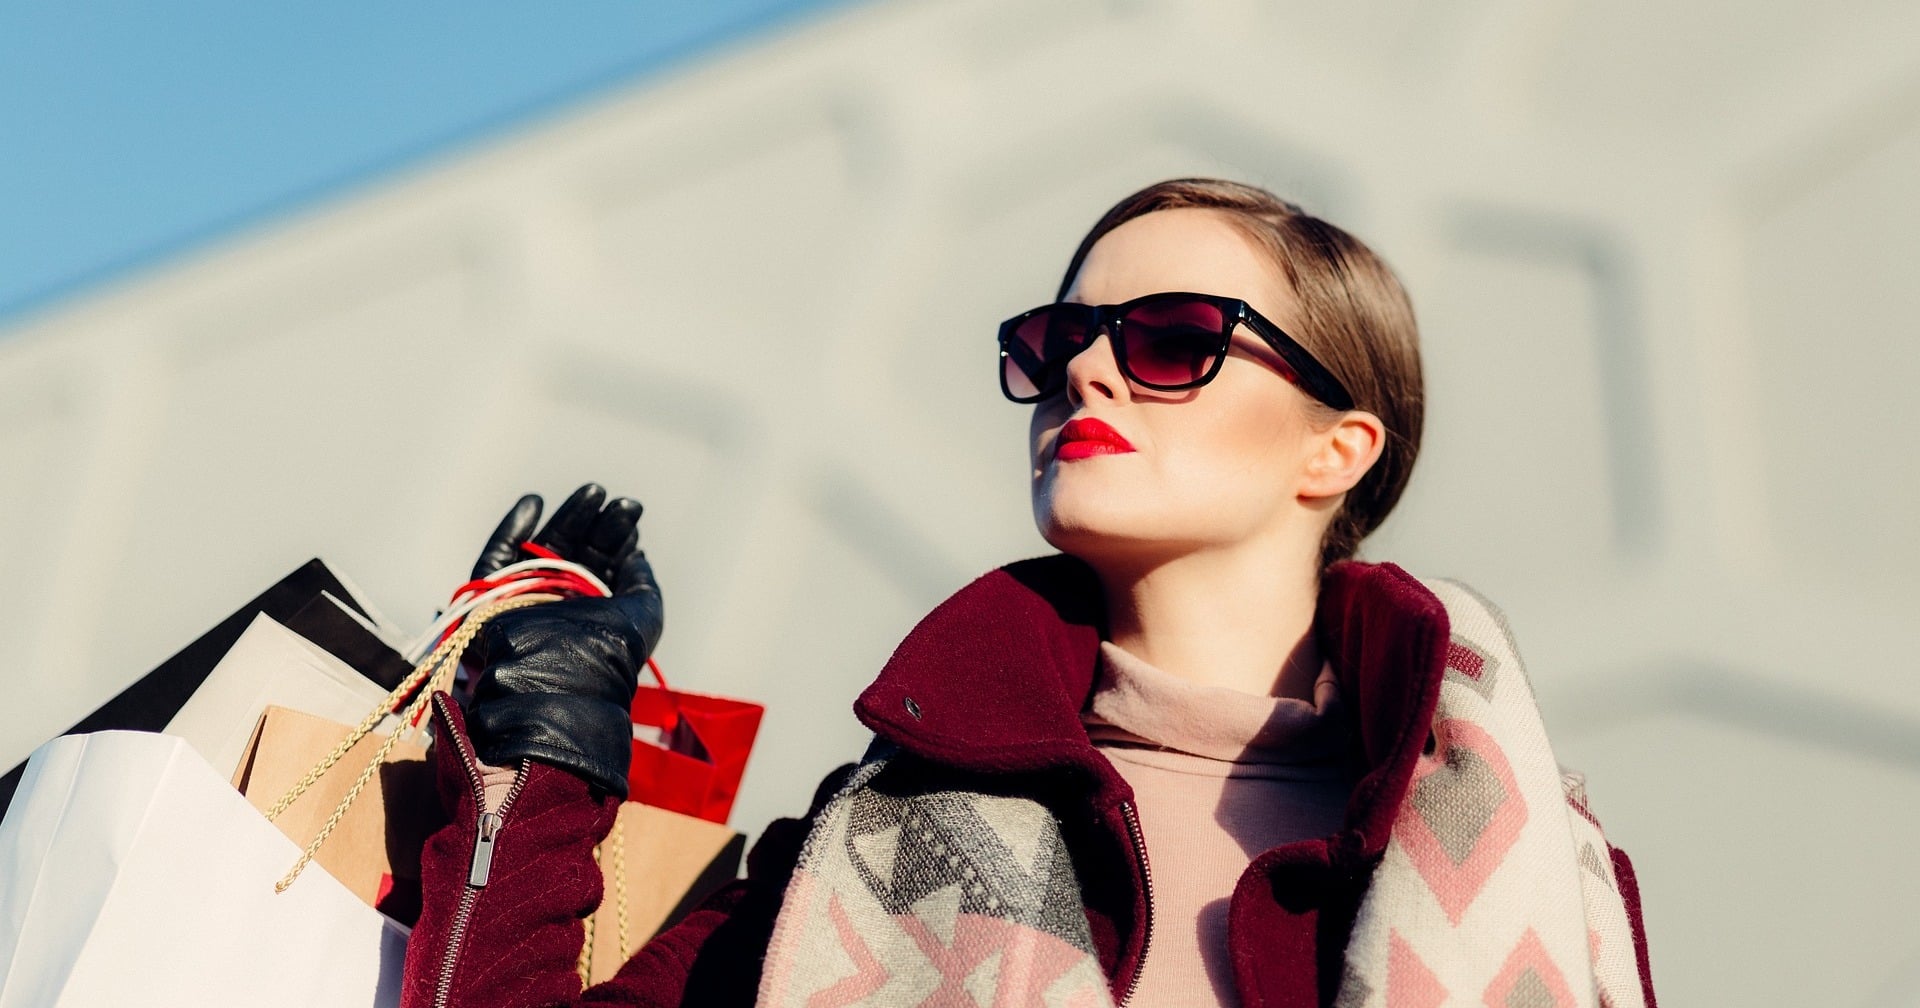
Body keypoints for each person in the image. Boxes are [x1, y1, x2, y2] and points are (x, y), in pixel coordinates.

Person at [399, 179, 1655, 1008]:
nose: (1091, 371)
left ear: (1337, 450)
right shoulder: (874, 841)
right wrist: (543, 754)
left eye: (1173, 339)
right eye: (1060, 343)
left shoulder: (1531, 859)